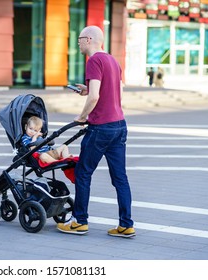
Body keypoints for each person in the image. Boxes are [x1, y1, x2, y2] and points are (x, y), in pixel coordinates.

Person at [57, 26, 135, 238]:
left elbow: (94, 97)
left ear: (89, 39)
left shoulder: (93, 61)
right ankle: (126, 224)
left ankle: (79, 221)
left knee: (83, 173)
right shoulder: (112, 60)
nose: (78, 43)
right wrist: (87, 89)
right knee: (120, 178)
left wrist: (82, 116)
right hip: (119, 125)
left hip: (100, 128)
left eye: (80, 39)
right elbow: (116, 91)